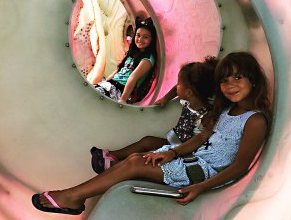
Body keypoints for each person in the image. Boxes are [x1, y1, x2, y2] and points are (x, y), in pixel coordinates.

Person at [32, 51, 271, 215]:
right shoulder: (227, 109)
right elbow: (201, 138)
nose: (230, 86)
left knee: (136, 163)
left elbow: (240, 167)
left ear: (253, 80)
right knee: (137, 157)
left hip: (204, 174)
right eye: (225, 80)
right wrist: (172, 153)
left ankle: (72, 197)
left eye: (238, 78)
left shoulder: (254, 120)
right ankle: (74, 196)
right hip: (193, 160)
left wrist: (202, 187)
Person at [90, 56, 218, 174]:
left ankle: (113, 166)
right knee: (147, 141)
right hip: (173, 141)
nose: (176, 86)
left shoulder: (205, 116)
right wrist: (165, 99)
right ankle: (113, 154)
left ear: (189, 92)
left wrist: (174, 152)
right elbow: (176, 90)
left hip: (184, 151)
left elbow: (201, 139)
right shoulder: (190, 98)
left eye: (179, 83)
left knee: (145, 156)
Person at [94, 17, 157, 104]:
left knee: (96, 96)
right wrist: (105, 82)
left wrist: (123, 99)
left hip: (120, 90)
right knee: (92, 92)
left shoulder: (148, 59)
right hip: (111, 85)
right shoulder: (133, 53)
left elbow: (133, 77)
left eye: (145, 37)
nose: (140, 40)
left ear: (152, 39)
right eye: (138, 35)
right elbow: (118, 70)